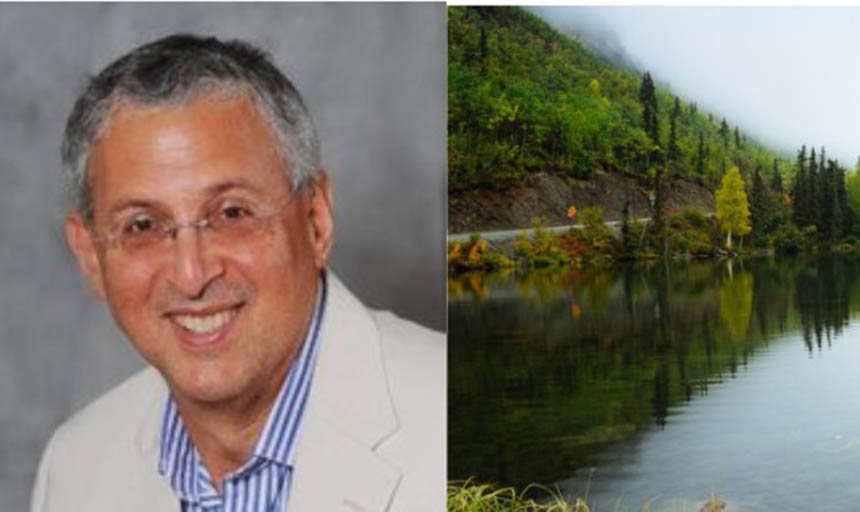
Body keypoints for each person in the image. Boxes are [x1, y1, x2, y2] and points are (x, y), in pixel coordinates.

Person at [30, 34, 444, 512]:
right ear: (89, 256)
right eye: (142, 225)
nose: (191, 275)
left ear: (316, 220)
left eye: (231, 213)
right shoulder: (75, 467)